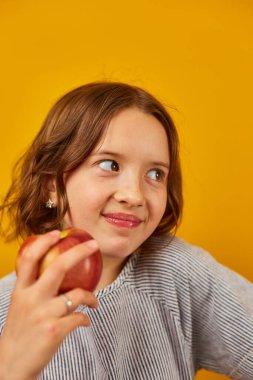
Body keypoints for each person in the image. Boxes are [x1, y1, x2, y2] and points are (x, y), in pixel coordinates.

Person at [0, 82, 252, 380]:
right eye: (110, 164)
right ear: (51, 186)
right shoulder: (7, 310)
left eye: (155, 174)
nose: (134, 195)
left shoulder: (178, 272)